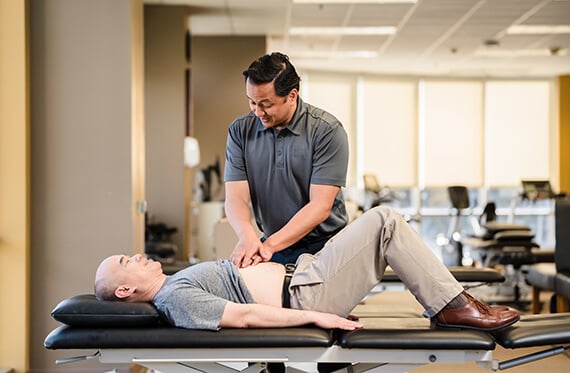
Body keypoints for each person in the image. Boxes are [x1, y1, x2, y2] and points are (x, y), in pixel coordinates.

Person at [95, 206, 519, 333]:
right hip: (305, 294)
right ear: (124, 292)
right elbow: (244, 316)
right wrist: (317, 314)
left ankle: (454, 300)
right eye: (124, 263)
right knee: (385, 220)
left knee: (378, 225)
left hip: (302, 275)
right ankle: (451, 304)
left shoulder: (176, 282)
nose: (133, 256)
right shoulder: (174, 297)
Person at [224, 52, 349, 268]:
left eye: (266, 104)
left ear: (292, 96)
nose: (258, 112)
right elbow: (235, 198)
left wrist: (268, 246)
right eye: (252, 103)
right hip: (274, 245)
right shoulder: (240, 131)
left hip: (326, 246)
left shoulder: (327, 131)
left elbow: (320, 206)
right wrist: (247, 237)